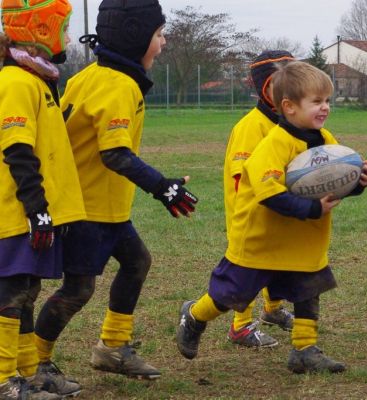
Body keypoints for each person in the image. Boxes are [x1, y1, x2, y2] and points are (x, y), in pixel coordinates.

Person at [33, 0, 198, 385]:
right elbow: (115, 155)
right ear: (135, 38)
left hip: (104, 206)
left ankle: (112, 346)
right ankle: (34, 362)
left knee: (137, 261)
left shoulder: (92, 74)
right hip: (85, 208)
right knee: (78, 289)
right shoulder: (120, 85)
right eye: (158, 35)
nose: (164, 41)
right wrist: (163, 187)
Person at [176, 61, 367, 374]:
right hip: (261, 238)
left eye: (327, 101)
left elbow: (334, 186)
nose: (325, 108)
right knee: (232, 294)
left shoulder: (325, 140)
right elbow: (269, 194)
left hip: (302, 238)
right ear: (289, 107)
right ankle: (195, 315)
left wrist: (359, 182)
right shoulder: (272, 144)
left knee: (309, 287)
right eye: (316, 102)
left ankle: (304, 350)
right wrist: (311, 209)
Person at [0, 0, 88, 398]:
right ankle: (4, 380)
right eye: (63, 29)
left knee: (27, 292)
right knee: (11, 293)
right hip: (16, 211)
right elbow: (16, 148)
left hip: (34, 211)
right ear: (40, 32)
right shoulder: (15, 82)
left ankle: (29, 372)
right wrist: (36, 208)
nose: (67, 37)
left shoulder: (38, 79)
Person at [223, 50, 295, 348]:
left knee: (281, 257)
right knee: (250, 267)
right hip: (252, 210)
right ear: (267, 88)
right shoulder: (251, 127)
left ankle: (273, 310)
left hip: (280, 203)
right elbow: (243, 176)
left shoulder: (286, 120)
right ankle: (239, 326)